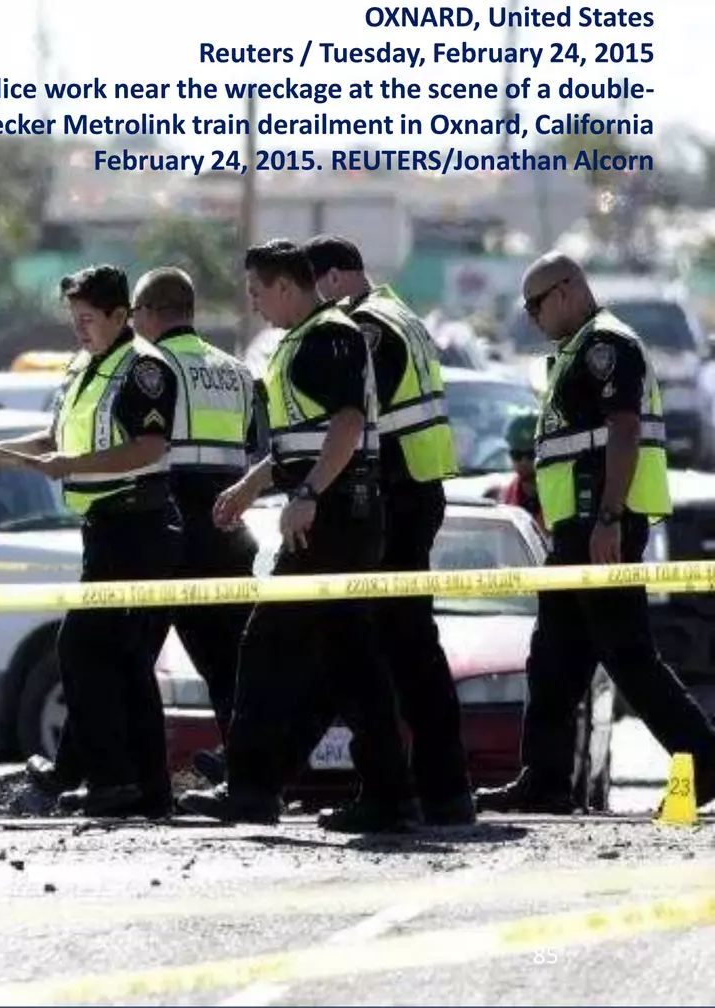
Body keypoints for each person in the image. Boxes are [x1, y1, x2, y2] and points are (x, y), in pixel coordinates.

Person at [178, 239, 418, 832]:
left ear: (285, 286)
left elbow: (347, 423)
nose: (255, 305)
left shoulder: (324, 336)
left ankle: (252, 788)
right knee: (349, 661)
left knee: (266, 648)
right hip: (342, 515)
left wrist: (309, 495)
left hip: (333, 519)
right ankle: (388, 796)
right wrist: (251, 487)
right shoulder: (311, 338)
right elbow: (300, 442)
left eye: (258, 292)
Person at [476, 253, 715, 814]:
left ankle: (703, 756)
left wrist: (608, 518)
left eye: (535, 305)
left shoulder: (607, 347)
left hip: (600, 525)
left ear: (565, 291)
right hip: (576, 530)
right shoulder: (576, 351)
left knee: (627, 652)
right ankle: (544, 780)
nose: (531, 317)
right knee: (553, 658)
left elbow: (625, 433)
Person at [0, 264, 179, 818]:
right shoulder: (88, 367)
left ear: (119, 315)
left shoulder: (144, 369)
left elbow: (149, 447)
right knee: (125, 662)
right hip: (105, 530)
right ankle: (147, 789)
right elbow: (55, 439)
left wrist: (74, 464)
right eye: (74, 319)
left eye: (88, 319)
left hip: (136, 528)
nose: (79, 329)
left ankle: (112, 780)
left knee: (83, 648)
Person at [284, 235, 475, 826]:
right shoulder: (402, 314)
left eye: (317, 289)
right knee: (403, 646)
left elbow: (353, 416)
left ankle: (396, 791)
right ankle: (440, 790)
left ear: (336, 278)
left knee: (369, 644)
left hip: (394, 495)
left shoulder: (364, 327)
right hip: (416, 489)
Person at [129, 267, 262, 743]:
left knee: (126, 661)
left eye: (133, 312)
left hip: (165, 528)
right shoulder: (238, 371)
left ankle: (121, 778)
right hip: (225, 530)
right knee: (231, 668)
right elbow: (253, 452)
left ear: (147, 312)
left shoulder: (148, 369)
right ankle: (248, 778)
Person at [500, 410, 542, 527]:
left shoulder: (561, 498)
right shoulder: (503, 498)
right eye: (517, 455)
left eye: (531, 454)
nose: (524, 462)